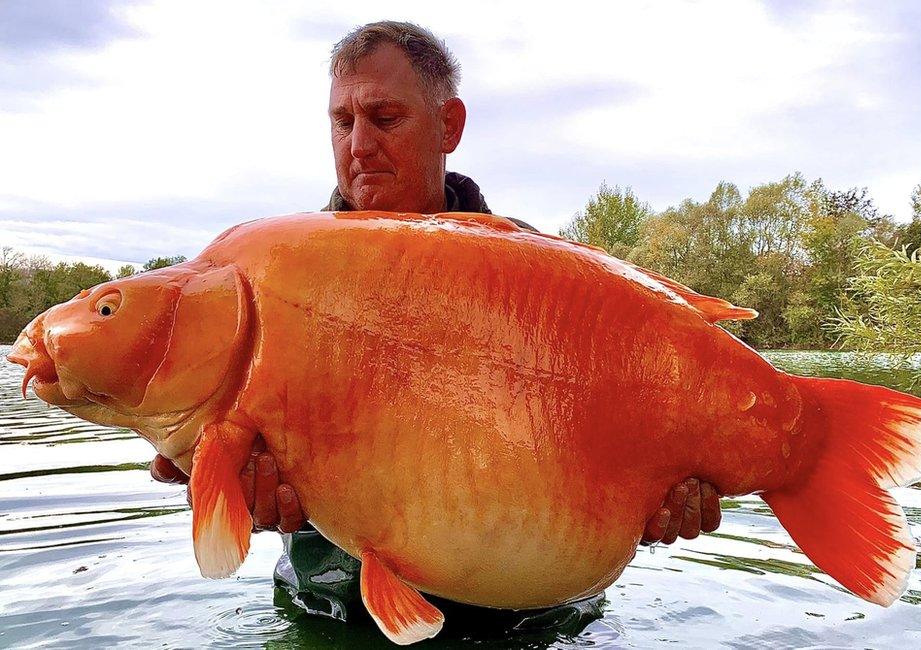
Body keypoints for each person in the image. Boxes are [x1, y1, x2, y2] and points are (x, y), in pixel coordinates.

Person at [151, 20, 722, 633]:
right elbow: (202, 444)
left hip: (528, 620)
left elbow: (632, 444)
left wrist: (669, 497)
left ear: (449, 125)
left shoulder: (546, 278)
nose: (359, 145)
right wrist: (220, 481)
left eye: (385, 118)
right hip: (331, 611)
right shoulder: (270, 283)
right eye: (342, 122)